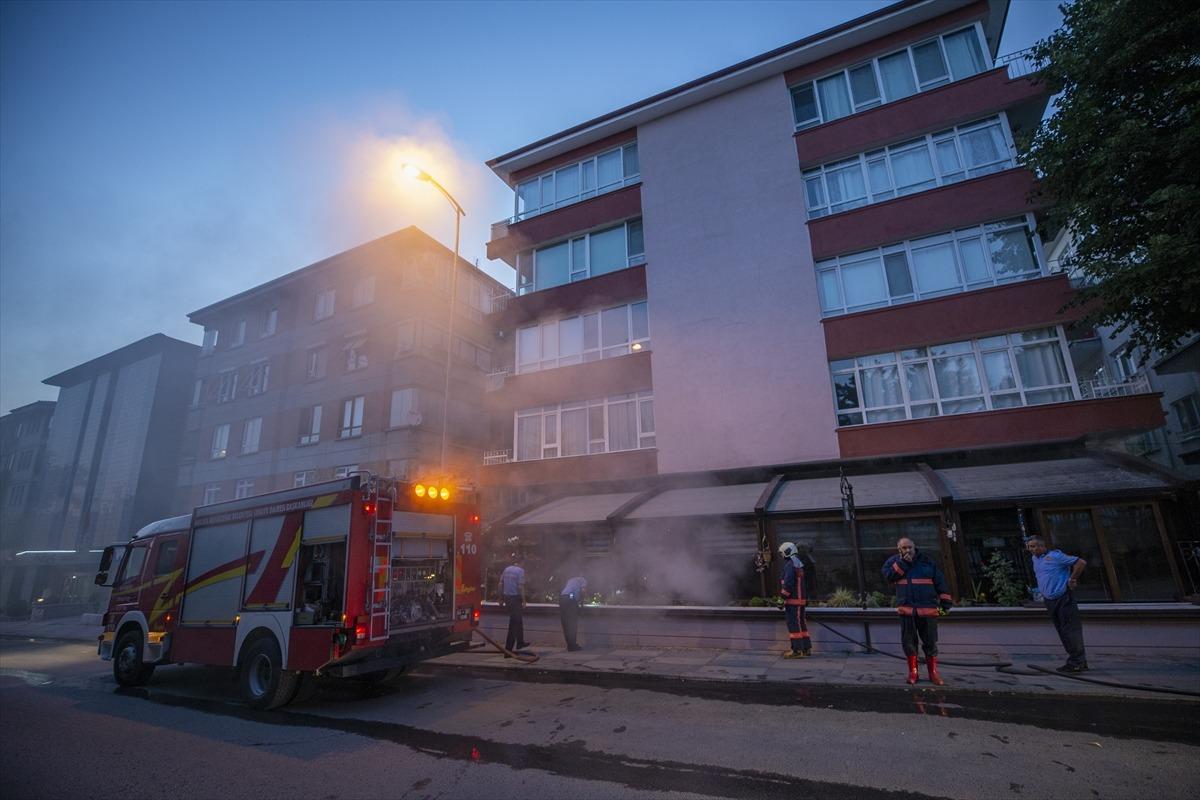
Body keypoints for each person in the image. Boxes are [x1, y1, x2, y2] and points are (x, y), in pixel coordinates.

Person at [882, 537, 953, 685]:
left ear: (915, 547)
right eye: (904, 548)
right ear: (899, 549)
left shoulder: (927, 561)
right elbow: (889, 576)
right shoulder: (893, 562)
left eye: (910, 547)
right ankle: (913, 673)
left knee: (930, 642)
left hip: (928, 610)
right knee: (909, 642)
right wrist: (903, 563)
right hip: (907, 611)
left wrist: (945, 603)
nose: (908, 550)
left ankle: (933, 673)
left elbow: (939, 581)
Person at [1025, 535, 1088, 673]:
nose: (1033, 549)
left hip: (1063, 597)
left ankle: (1078, 662)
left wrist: (1072, 579)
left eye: (1035, 546)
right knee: (1062, 631)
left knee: (1070, 630)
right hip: (1049, 600)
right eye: (1030, 546)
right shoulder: (1035, 559)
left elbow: (1081, 562)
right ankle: (1076, 661)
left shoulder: (1056, 556)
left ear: (1043, 546)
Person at [778, 542, 812, 658]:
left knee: (794, 625)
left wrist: (782, 598)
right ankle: (806, 648)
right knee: (801, 623)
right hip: (800, 600)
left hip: (793, 601)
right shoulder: (798, 563)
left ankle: (797, 651)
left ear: (787, 552)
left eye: (782, 553)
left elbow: (788, 584)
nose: (781, 556)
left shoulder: (790, 565)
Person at [499, 554, 530, 656]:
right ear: (522, 563)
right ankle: (508, 650)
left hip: (507, 598)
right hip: (515, 598)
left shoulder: (506, 569)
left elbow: (500, 584)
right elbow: (521, 587)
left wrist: (500, 598)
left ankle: (520, 642)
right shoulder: (520, 571)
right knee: (514, 623)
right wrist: (524, 600)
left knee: (518, 620)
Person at [559, 573, 587, 651]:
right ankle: (573, 645)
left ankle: (569, 645)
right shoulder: (583, 579)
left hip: (562, 599)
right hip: (570, 601)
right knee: (572, 623)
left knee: (565, 623)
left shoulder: (570, 579)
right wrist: (582, 603)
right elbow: (583, 591)